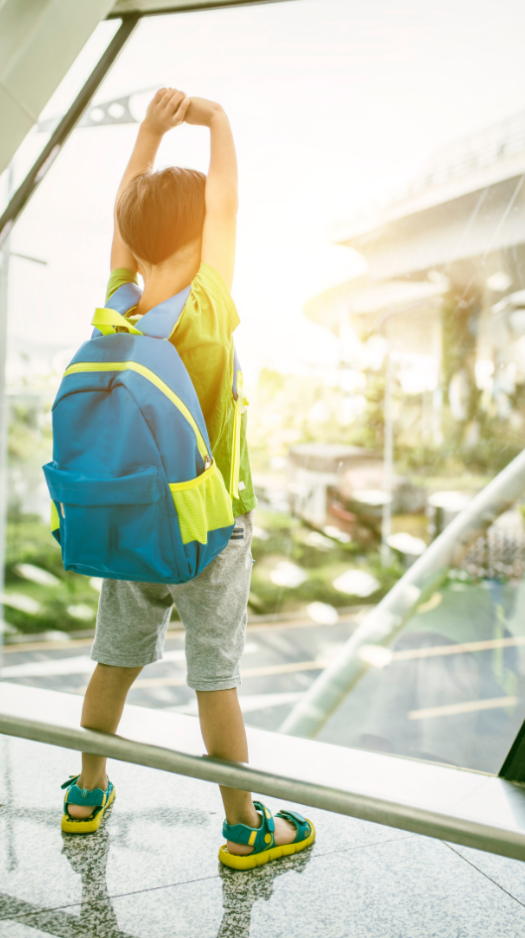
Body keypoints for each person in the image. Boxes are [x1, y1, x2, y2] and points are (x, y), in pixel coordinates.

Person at [60, 88, 314, 868]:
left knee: (115, 657)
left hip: (131, 519)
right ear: (202, 233)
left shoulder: (120, 307)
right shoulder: (207, 300)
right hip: (210, 526)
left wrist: (146, 136)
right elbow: (227, 205)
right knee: (216, 674)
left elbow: (120, 223)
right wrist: (218, 123)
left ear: (132, 241)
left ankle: (85, 792)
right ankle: (244, 828)